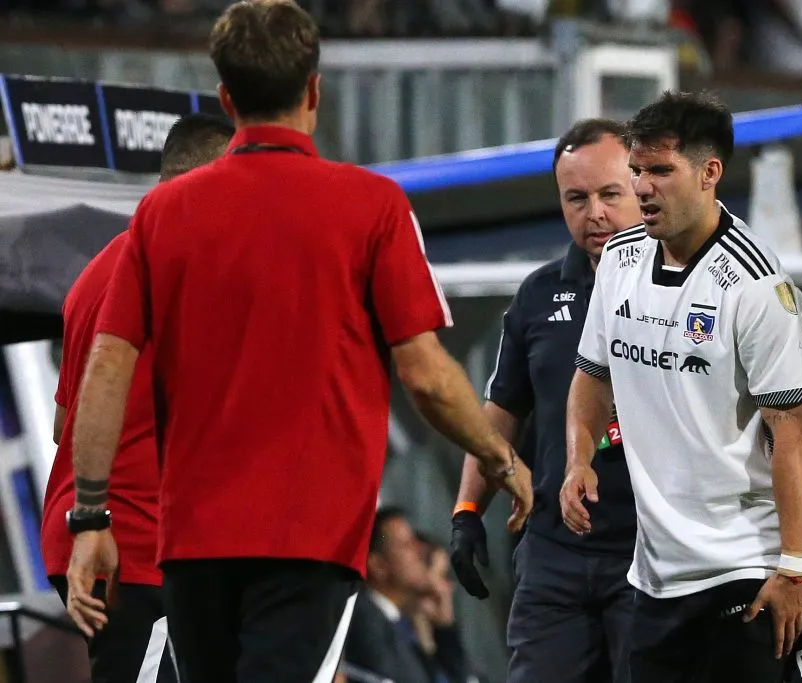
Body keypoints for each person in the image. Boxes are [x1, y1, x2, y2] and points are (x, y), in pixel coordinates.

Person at [62, 2, 532, 682]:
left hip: (192, 540)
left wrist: (90, 518)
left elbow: (108, 364)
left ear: (228, 98)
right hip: (308, 537)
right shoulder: (372, 207)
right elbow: (426, 374)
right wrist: (498, 455)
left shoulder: (163, 213)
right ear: (315, 89)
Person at [562, 90, 802, 683]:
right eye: (636, 171)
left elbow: (794, 433)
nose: (642, 187)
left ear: (710, 173)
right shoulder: (619, 262)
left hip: (749, 564)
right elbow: (590, 376)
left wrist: (794, 569)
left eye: (660, 170)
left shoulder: (754, 285)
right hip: (658, 572)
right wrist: (580, 459)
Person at [40, 112, 234, 683]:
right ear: (209, 177)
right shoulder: (181, 267)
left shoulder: (99, 271)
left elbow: (63, 425)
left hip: (84, 530)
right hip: (134, 543)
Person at [449, 118, 641, 682]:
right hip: (555, 551)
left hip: (651, 551)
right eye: (576, 199)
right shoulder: (538, 295)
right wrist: (466, 513)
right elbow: (502, 410)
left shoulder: (686, 286)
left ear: (640, 186)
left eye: (610, 194)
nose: (594, 213)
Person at [342, 508, 441, 683]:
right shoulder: (364, 620)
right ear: (378, 565)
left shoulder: (399, 625)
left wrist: (445, 628)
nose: (420, 551)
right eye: (407, 545)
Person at [414, 534, 469, 683]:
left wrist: (445, 628)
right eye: (444, 576)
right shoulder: (395, 640)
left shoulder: (443, 649)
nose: (449, 587)